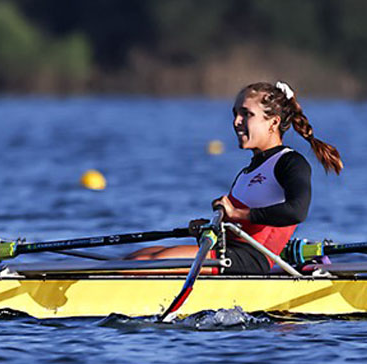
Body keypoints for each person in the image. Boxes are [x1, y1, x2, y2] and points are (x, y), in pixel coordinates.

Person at [127, 81, 343, 274]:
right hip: (227, 251)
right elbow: (241, 227)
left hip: (250, 260)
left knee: (150, 262)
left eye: (246, 114)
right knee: (138, 257)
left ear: (273, 123)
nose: (236, 121)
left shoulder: (291, 162)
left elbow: (297, 211)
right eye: (235, 114)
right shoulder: (249, 171)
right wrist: (211, 228)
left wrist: (237, 213)